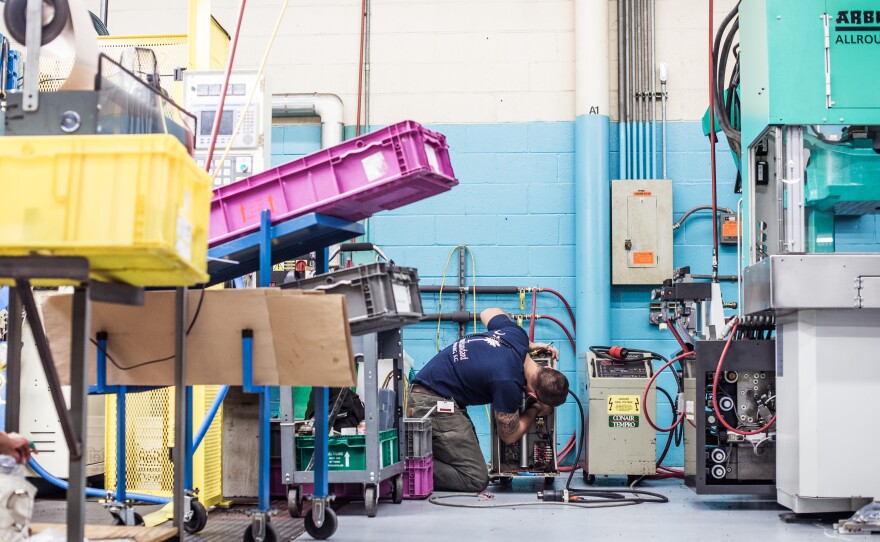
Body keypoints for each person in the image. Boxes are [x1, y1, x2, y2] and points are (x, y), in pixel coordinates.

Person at [408, 307, 569, 492]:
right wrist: (536, 410)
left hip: (434, 395)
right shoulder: (508, 381)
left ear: (548, 369)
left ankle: (420, 459)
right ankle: (408, 468)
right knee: (474, 477)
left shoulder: (517, 335)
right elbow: (508, 436)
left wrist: (528, 344)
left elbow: (487, 312)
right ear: (533, 395)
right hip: (432, 403)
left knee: (469, 457)